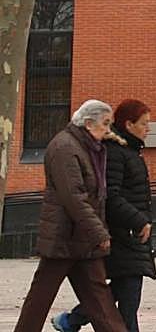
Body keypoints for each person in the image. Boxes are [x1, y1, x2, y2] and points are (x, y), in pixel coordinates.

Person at [11, 100, 126, 332]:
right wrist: (98, 231)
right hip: (64, 237)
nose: (108, 130)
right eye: (105, 124)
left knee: (99, 299)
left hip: (81, 239)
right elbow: (73, 197)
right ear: (88, 123)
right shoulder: (65, 148)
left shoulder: (84, 147)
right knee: (41, 298)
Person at [54, 99, 156, 332]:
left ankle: (72, 320)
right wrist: (138, 220)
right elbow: (110, 195)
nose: (148, 129)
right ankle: (71, 320)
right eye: (144, 124)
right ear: (129, 125)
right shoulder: (117, 153)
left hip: (132, 236)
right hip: (123, 235)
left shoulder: (130, 152)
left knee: (121, 293)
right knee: (128, 299)